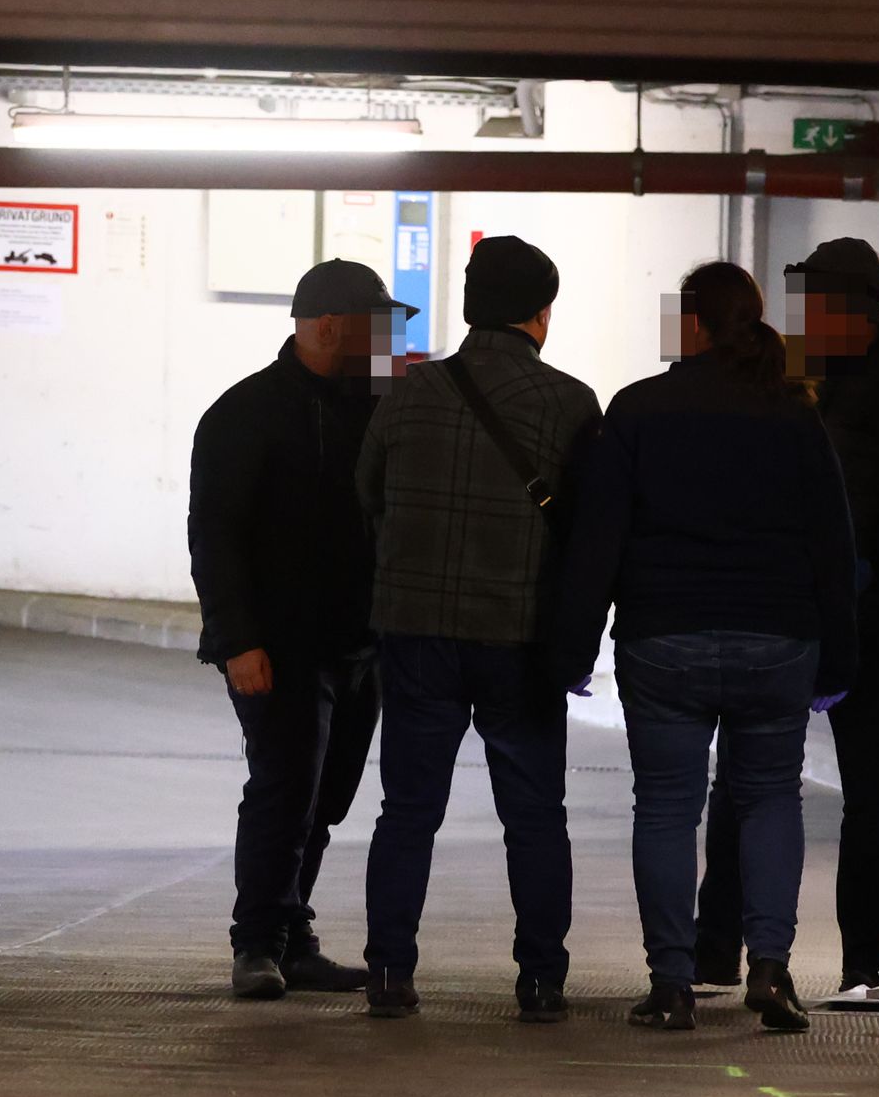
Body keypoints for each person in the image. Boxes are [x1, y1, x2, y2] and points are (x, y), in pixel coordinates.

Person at [546, 263, 858, 1034]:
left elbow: (599, 540)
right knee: (770, 798)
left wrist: (574, 647)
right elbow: (832, 542)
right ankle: (772, 971)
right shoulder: (795, 413)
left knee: (664, 807)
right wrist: (840, 658)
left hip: (664, 639)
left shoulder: (637, 409)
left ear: (692, 325)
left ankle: (672, 985)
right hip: (777, 639)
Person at [693, 237, 879, 1008]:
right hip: (778, 613)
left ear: (858, 311)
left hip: (871, 620)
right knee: (742, 781)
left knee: (871, 793)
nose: (800, 318)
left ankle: (868, 959)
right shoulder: (782, 375)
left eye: (814, 305)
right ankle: (717, 944)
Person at [353, 235, 600, 1023]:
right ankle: (542, 979)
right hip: (519, 634)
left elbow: (368, 494)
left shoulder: (407, 392)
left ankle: (388, 972)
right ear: (541, 314)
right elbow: (590, 532)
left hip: (415, 631)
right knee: (534, 816)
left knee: (407, 809)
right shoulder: (570, 402)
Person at [187, 256, 403, 999]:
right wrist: (237, 640)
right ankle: (257, 944)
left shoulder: (379, 407)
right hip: (279, 646)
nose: (389, 343)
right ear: (329, 328)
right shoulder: (243, 413)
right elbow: (214, 535)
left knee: (327, 799)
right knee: (285, 790)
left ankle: (291, 936)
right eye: (378, 328)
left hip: (362, 642)